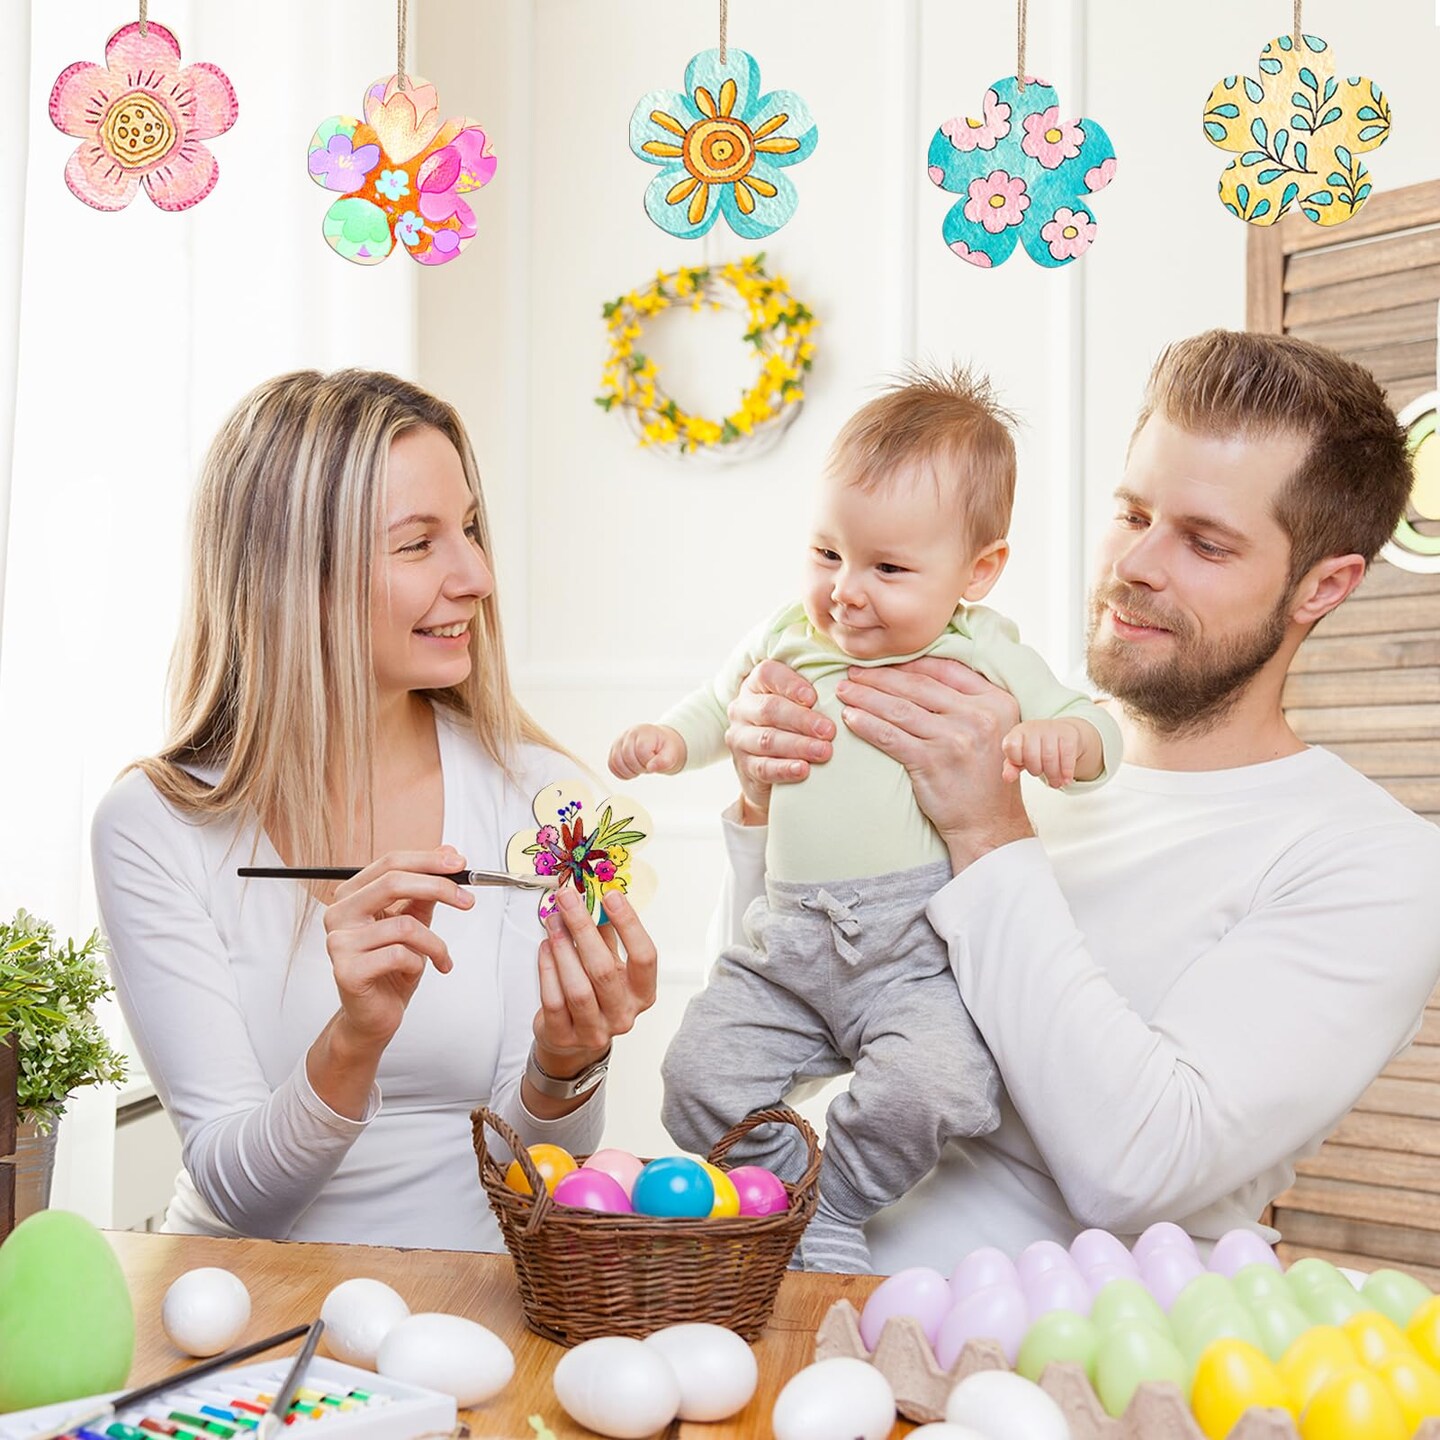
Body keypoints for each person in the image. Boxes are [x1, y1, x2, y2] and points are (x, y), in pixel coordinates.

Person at [716, 329, 1440, 1274]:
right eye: (1133, 513)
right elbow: (787, 1031)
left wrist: (987, 832)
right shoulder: (982, 727)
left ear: (1324, 586)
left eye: (1206, 543)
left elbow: (1136, 1171)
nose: (1138, 564)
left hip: (1080, 1337)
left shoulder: (1374, 864)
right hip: (821, 1277)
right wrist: (763, 806)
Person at [91, 370, 657, 1251]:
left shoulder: (542, 802)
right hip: (250, 1295)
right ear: (293, 579)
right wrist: (354, 1038)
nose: (477, 576)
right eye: (418, 544)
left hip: (479, 1292)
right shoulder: (155, 826)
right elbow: (240, 1201)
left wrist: (566, 1059)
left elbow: (534, 1169)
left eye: (470, 529)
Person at [611, 368, 1121, 1272]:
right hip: (786, 946)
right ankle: (785, 1196)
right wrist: (669, 740)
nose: (846, 590)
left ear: (978, 572)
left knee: (942, 1084)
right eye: (827, 553)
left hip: (912, 954)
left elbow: (1098, 729)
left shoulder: (982, 649)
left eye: (887, 568)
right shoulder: (787, 634)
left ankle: (837, 1201)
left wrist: (1064, 741)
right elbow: (717, 710)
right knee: (696, 1076)